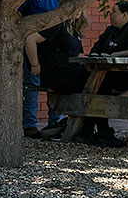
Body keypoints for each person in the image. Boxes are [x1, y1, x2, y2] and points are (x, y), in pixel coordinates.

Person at [18, 0, 71, 139]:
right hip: (35, 41)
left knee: (56, 83)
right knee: (32, 83)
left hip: (58, 42)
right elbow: (17, 11)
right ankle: (29, 125)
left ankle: (55, 124)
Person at [87, 0, 128, 146]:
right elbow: (96, 47)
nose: (110, 14)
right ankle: (89, 131)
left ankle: (103, 132)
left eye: (114, 11)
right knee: (91, 84)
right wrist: (95, 55)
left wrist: (118, 54)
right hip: (107, 75)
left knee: (100, 87)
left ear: (125, 14)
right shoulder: (110, 31)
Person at [23, 11, 90, 141]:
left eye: (81, 8)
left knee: (96, 82)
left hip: (69, 72)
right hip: (57, 74)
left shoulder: (74, 29)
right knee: (94, 84)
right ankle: (85, 129)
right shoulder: (57, 25)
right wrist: (35, 65)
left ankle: (79, 127)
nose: (78, 11)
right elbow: (30, 39)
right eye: (75, 7)